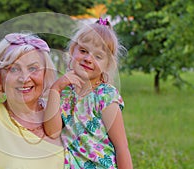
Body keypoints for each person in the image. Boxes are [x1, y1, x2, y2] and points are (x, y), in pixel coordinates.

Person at [44, 18, 133, 169]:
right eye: (83, 51)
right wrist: (55, 89)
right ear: (72, 51)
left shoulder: (105, 96)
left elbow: (122, 147)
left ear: (108, 64)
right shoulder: (65, 92)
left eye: (98, 56)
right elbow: (52, 132)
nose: (88, 59)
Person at [0, 33, 64, 169]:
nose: (24, 78)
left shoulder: (64, 115)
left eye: (33, 69)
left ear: (45, 73)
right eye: (13, 69)